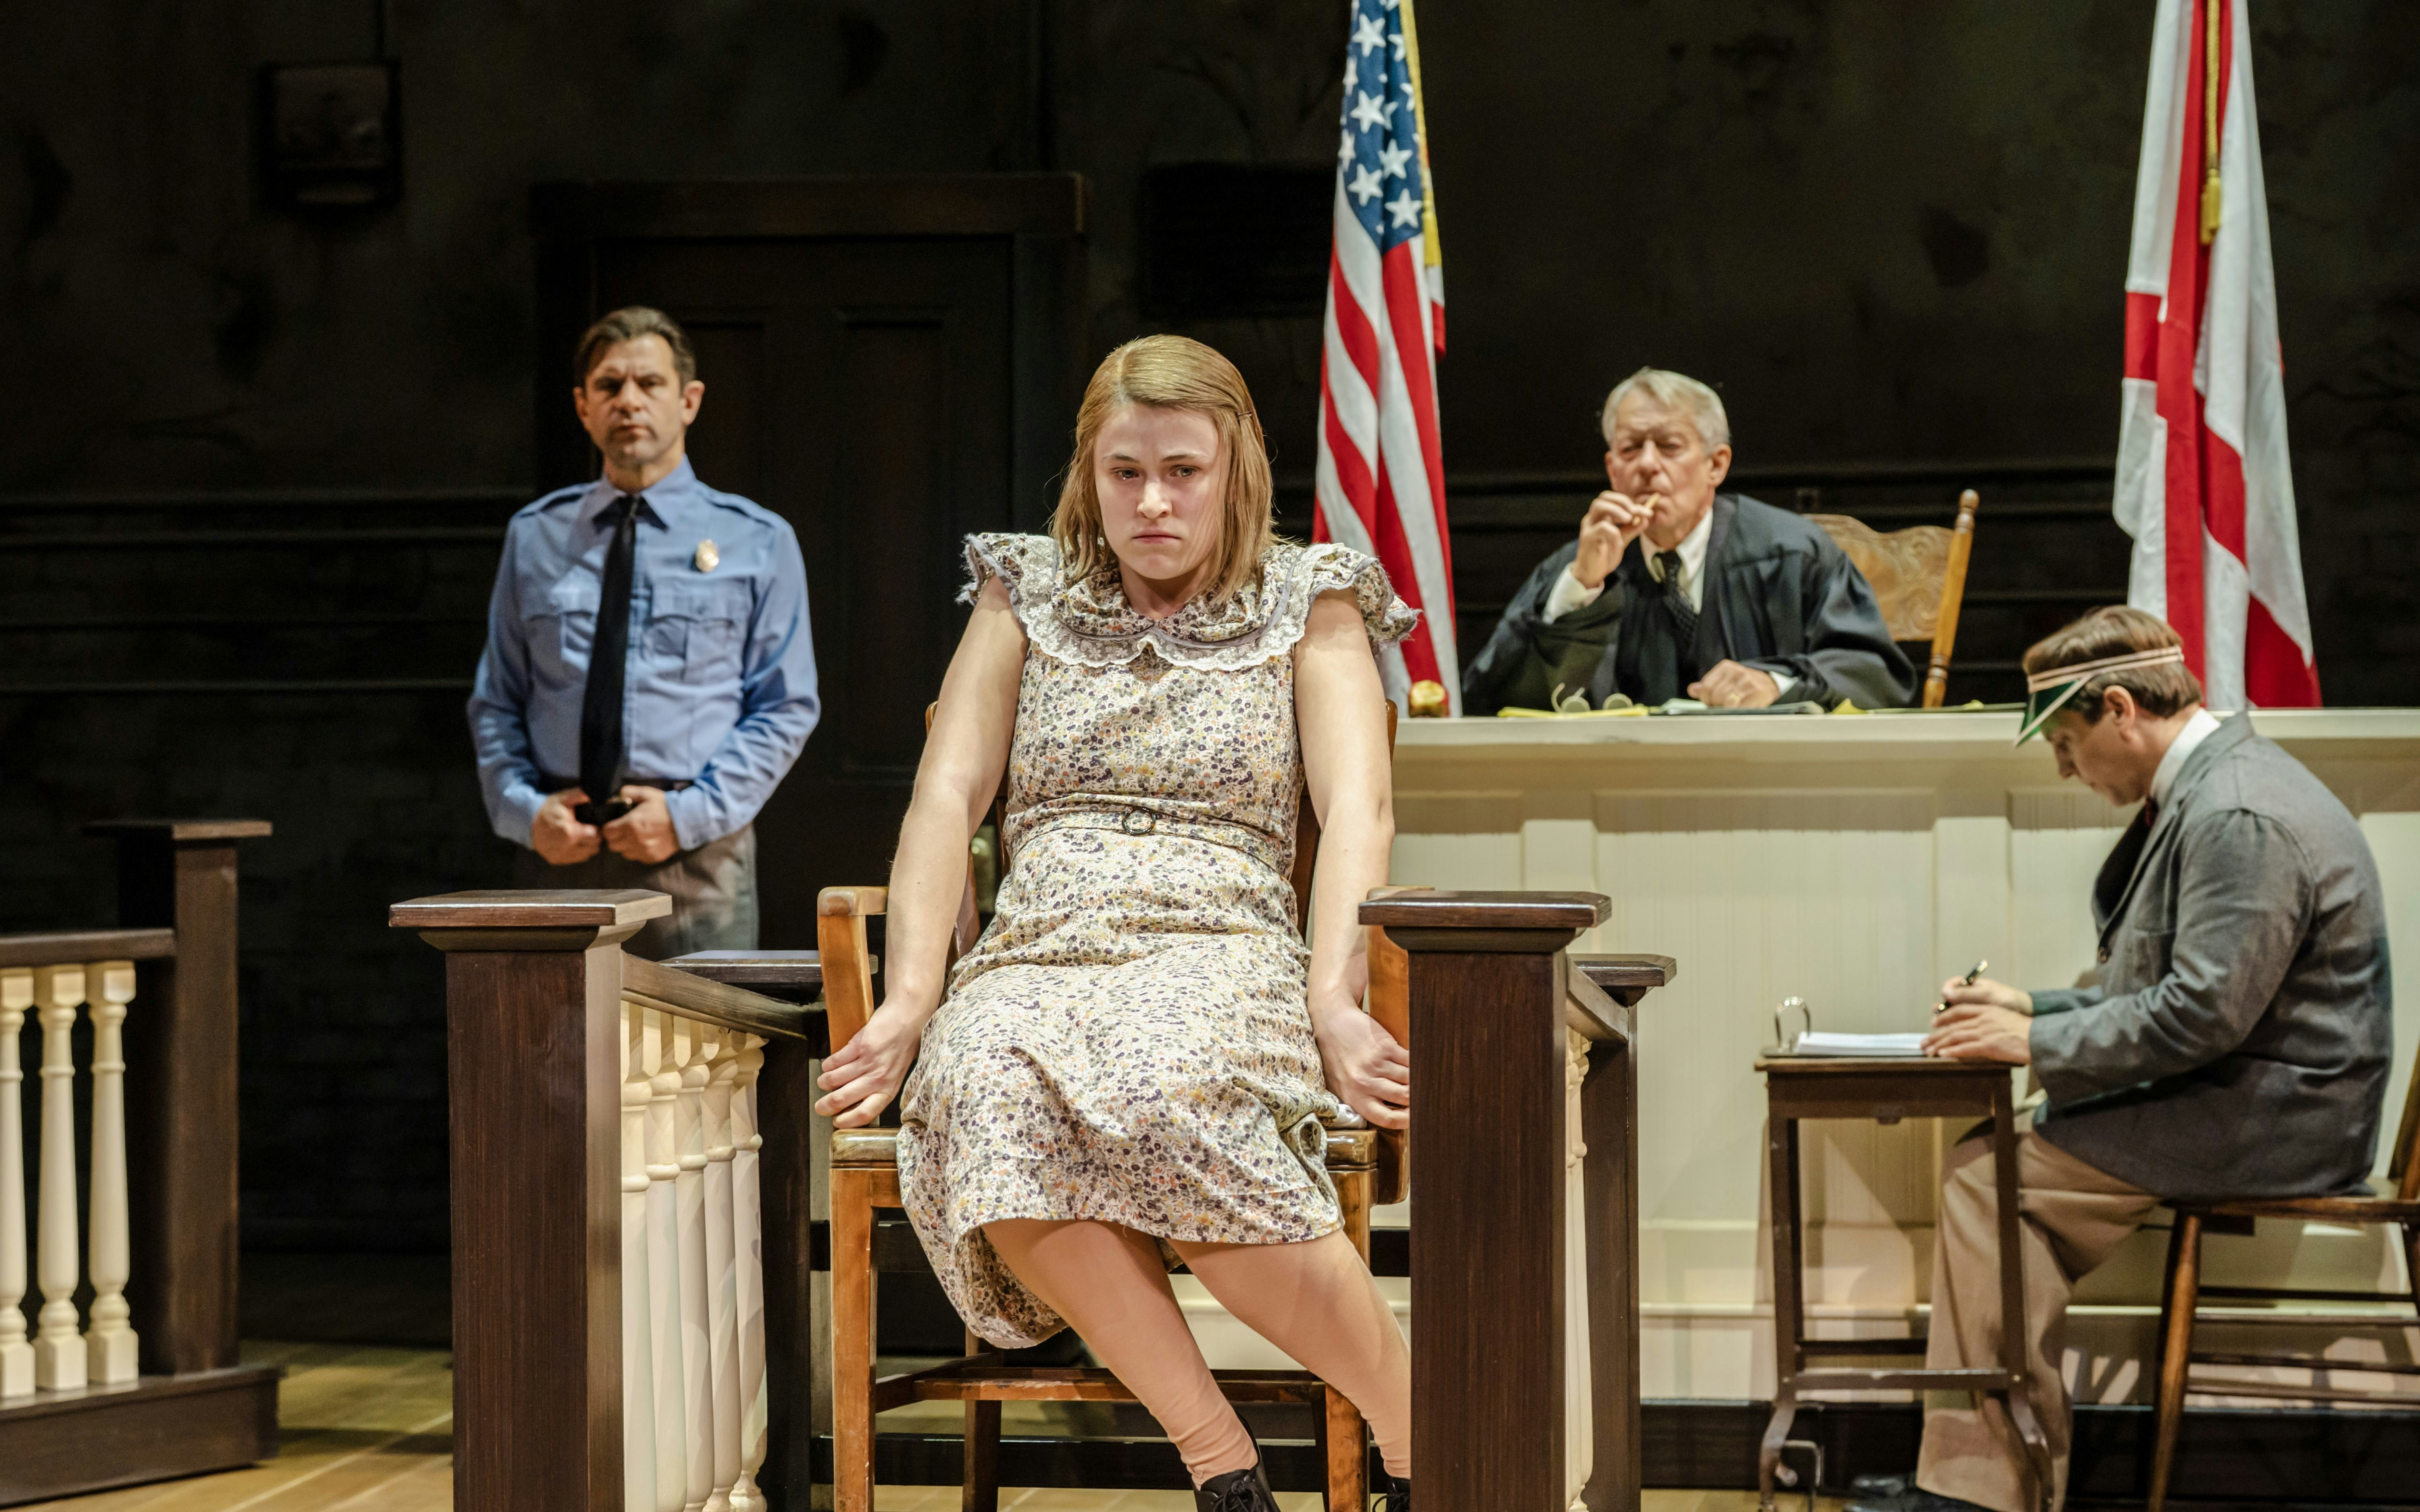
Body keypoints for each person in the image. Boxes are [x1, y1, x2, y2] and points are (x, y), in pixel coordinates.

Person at [811, 335, 1417, 1512]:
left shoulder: (1312, 595)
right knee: (983, 1081)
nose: (1152, 502)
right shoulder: (1024, 590)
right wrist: (909, 999)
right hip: (1039, 941)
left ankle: (1414, 1425)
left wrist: (1334, 998)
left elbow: (1359, 806)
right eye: (1125, 471)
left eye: (1183, 471)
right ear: (1088, 473)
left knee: (1168, 1078)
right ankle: (1218, 1457)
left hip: (1218, 936)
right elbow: (947, 793)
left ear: (1235, 470)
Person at [1847, 606, 2393, 1512]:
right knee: (1992, 1172)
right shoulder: (2218, 787)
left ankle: (1984, 1491)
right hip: (2253, 1094)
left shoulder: (2238, 813)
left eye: (2065, 744)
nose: (2065, 770)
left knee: (1987, 1181)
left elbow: (2203, 1015)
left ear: (2119, 709)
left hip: (2276, 1120)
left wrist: (2032, 1043)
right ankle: (1994, 1478)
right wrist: (2034, 1007)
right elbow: (2174, 989)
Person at [468, 306, 819, 959]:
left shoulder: (758, 540)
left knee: (701, 1031)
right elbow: (497, 700)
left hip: (693, 858)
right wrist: (524, 813)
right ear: (583, 406)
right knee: (548, 1030)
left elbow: (786, 706)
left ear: (689, 401)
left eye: (650, 383)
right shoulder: (535, 536)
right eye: (609, 386)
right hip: (559, 849)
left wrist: (688, 818)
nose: (628, 401)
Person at [1459, 368, 1914, 713]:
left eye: (1670, 446)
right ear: (1613, 469)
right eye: (1631, 448)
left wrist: (1774, 684)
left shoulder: (1792, 554)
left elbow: (1878, 676)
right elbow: (1489, 699)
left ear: (1716, 465)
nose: (1647, 465)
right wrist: (1582, 589)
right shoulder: (1575, 570)